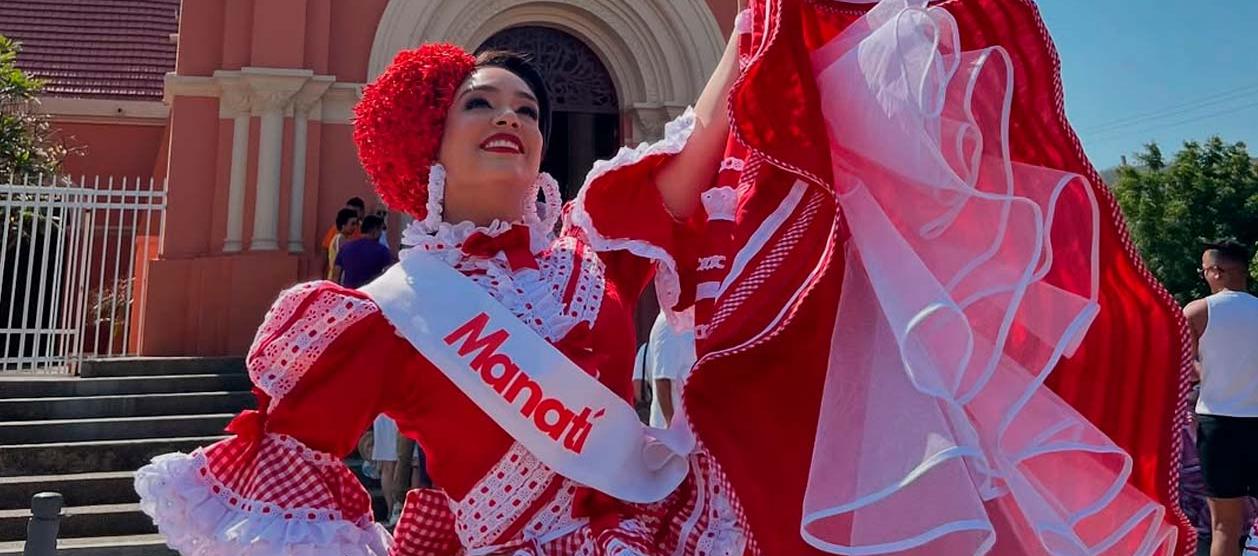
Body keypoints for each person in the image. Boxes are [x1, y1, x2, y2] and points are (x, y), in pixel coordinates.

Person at [134, 1, 1190, 554]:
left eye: (527, 110)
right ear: (425, 142)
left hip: (669, 529)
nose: (511, 119)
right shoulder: (379, 316)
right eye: (479, 105)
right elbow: (285, 477)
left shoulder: (594, 249)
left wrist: (757, 27)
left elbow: (696, 153)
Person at [1184, 239, 1258, 556]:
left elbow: (1185, 369)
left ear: (1216, 271)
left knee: (1224, 526)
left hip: (1218, 426)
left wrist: (1207, 370)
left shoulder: (1198, 311)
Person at [334, 215, 393, 289]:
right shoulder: (383, 251)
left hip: (349, 295)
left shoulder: (345, 248)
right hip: (370, 295)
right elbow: (388, 277)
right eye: (381, 230)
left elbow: (335, 276)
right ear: (375, 230)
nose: (381, 234)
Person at [326, 208, 359, 281]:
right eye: (352, 224)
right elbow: (343, 260)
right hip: (338, 278)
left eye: (356, 224)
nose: (355, 227)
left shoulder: (341, 238)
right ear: (343, 225)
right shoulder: (341, 238)